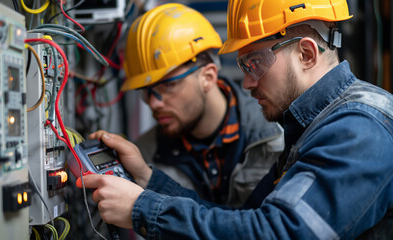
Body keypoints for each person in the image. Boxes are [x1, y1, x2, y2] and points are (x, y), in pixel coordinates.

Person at [77, 0, 393, 239]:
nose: (247, 83)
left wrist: (142, 208)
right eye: (243, 65)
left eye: (255, 62)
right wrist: (148, 180)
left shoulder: (359, 128)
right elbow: (247, 218)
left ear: (307, 54)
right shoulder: (311, 127)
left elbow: (276, 232)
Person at [120, 3, 284, 206]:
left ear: (208, 76)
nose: (154, 103)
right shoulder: (144, 156)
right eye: (146, 91)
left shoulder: (277, 136)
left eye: (169, 85)